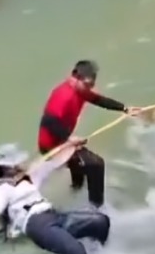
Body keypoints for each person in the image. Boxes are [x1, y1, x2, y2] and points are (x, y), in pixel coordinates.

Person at [0, 141, 110, 254]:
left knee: (100, 222)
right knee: (76, 250)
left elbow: (55, 162)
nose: (24, 162)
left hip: (53, 215)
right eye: (19, 162)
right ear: (10, 167)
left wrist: (71, 144)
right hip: (36, 224)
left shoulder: (31, 175)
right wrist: (8, 185)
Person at [38, 60, 141, 209]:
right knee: (96, 164)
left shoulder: (80, 90)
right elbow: (48, 121)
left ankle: (75, 189)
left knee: (80, 164)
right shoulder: (64, 95)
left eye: (91, 85)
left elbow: (99, 100)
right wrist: (69, 139)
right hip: (51, 146)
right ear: (75, 77)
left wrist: (124, 108)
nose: (89, 88)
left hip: (63, 141)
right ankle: (96, 209)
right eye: (87, 84)